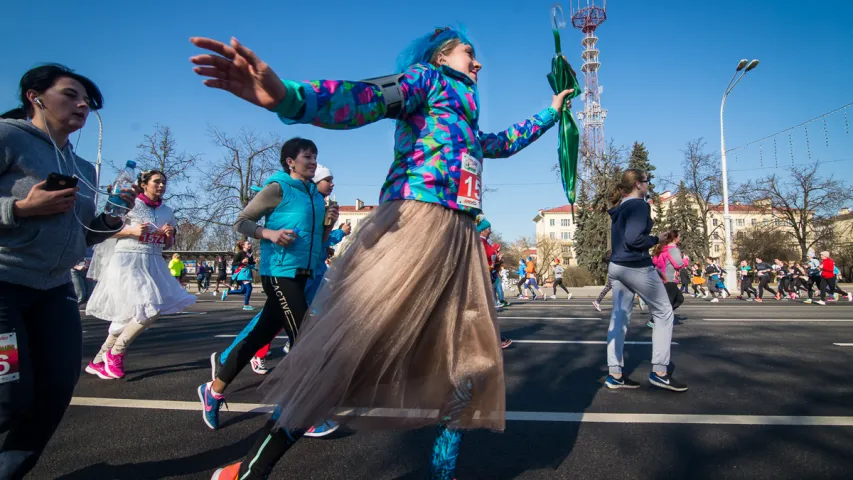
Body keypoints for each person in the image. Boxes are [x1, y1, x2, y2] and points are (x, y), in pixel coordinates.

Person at [191, 26, 573, 479]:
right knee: (349, 358)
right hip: (416, 228)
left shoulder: (465, 119)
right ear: (440, 57)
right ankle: (252, 470)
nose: (478, 63)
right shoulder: (426, 81)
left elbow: (503, 143)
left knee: (470, 367)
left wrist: (551, 113)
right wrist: (289, 98)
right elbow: (367, 97)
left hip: (460, 244)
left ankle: (441, 474)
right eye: (469, 53)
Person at [0, 63, 134, 478]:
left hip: (54, 291)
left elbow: (82, 235)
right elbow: (25, 211)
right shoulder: (7, 138)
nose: (82, 106)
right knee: (9, 399)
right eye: (71, 94)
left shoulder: (84, 169)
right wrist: (20, 208)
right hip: (4, 287)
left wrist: (109, 223)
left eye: (88, 103)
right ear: (34, 96)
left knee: (56, 391)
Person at [85, 170, 196, 379]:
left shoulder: (167, 211)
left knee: (127, 316)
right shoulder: (130, 204)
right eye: (157, 182)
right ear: (144, 184)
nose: (161, 186)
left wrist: (168, 236)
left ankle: (98, 361)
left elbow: (168, 244)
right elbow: (103, 230)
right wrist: (131, 231)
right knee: (150, 310)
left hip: (153, 261)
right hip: (127, 260)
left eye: (164, 182)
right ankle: (116, 353)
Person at [604, 169, 686, 392]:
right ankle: (660, 372)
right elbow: (634, 239)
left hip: (617, 267)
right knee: (664, 312)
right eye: (647, 181)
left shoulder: (620, 207)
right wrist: (656, 238)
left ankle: (615, 374)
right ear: (639, 184)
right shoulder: (639, 205)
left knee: (619, 317)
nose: (648, 184)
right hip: (635, 266)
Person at [476, 215, 512, 349]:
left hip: (488, 279)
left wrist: (498, 261)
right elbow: (478, 260)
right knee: (485, 311)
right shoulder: (479, 242)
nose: (490, 230)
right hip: (481, 279)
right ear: (482, 230)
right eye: (488, 228)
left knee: (487, 311)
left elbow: (492, 261)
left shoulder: (486, 243)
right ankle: (493, 339)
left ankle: (491, 339)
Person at [651, 229, 686, 312]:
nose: (680, 239)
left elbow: (655, 262)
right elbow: (678, 264)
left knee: (679, 298)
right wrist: (685, 260)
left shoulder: (664, 248)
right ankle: (656, 319)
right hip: (669, 278)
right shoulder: (673, 249)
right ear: (675, 238)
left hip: (663, 276)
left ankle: (663, 316)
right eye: (679, 237)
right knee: (671, 301)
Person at [221, 240, 256, 310]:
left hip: (247, 272)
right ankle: (246, 305)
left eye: (250, 244)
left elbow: (251, 263)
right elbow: (234, 263)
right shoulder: (240, 253)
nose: (250, 245)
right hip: (243, 273)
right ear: (243, 246)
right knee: (249, 288)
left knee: (243, 290)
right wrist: (241, 262)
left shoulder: (249, 254)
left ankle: (227, 292)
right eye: (248, 244)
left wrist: (254, 261)